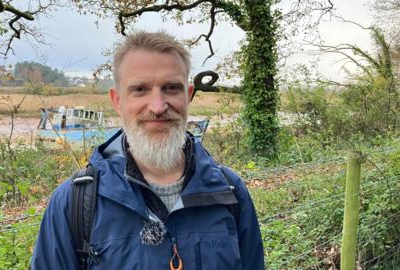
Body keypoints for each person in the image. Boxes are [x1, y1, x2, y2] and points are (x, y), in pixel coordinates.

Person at [31, 31, 264, 270]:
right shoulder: (75, 204)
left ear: (189, 95)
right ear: (117, 101)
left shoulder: (230, 192)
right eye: (140, 89)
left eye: (171, 88)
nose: (158, 106)